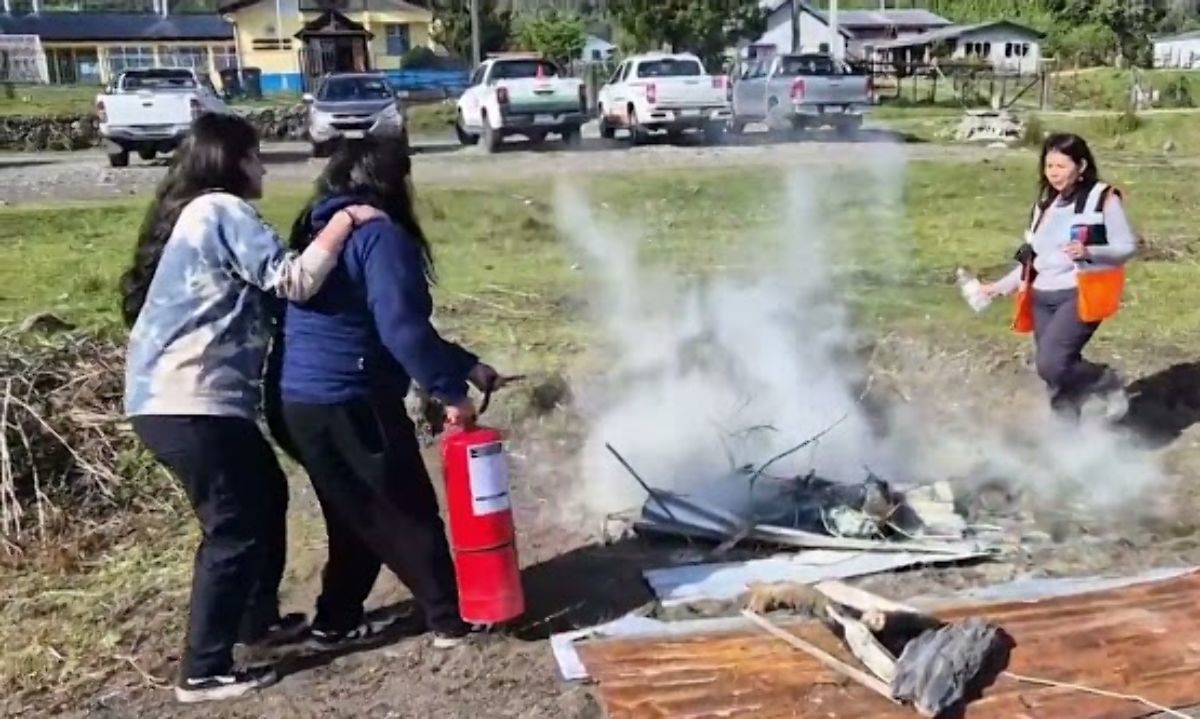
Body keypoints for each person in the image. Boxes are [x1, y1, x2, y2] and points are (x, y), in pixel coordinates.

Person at [121, 112, 382, 704]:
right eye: (257, 155)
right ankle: (203, 668)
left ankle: (254, 624)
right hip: (188, 402)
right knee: (233, 527)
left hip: (177, 401)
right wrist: (344, 221)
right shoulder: (220, 210)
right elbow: (292, 279)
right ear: (231, 161)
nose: (263, 165)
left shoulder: (199, 216)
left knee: (266, 490)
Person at [273, 133, 503, 650]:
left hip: (301, 401)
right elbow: (401, 329)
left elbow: (389, 327)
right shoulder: (380, 236)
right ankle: (450, 618)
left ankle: (335, 621)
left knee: (355, 511)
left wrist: (467, 366)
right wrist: (449, 393)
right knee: (406, 508)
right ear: (392, 182)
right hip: (348, 397)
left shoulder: (320, 232)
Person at [981, 133, 1136, 420]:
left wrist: (1089, 251)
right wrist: (999, 287)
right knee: (1056, 377)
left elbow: (1126, 247)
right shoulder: (1044, 206)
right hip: (1042, 298)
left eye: (1061, 166)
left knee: (1050, 364)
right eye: (1048, 166)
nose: (1053, 173)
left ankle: (1103, 380)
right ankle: (1067, 446)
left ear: (1081, 166)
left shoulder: (1102, 199)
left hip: (1078, 293)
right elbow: (1035, 259)